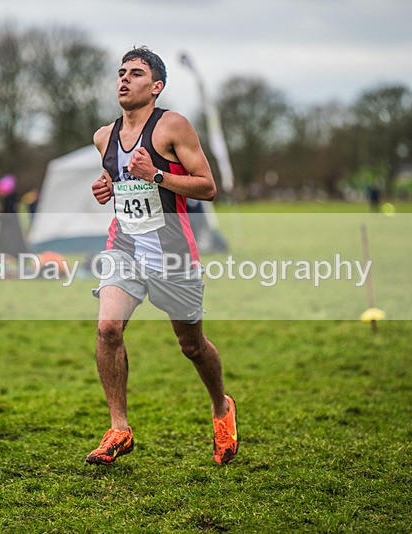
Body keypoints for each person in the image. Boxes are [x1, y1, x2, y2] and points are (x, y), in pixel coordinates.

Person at [87, 47, 237, 465]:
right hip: (125, 248)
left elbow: (207, 187)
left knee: (192, 345)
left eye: (135, 73)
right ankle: (119, 429)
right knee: (108, 329)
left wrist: (156, 174)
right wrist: (106, 188)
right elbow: (118, 181)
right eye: (121, 72)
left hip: (172, 254)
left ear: (156, 86)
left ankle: (221, 407)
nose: (124, 79)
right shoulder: (103, 136)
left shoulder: (172, 126)